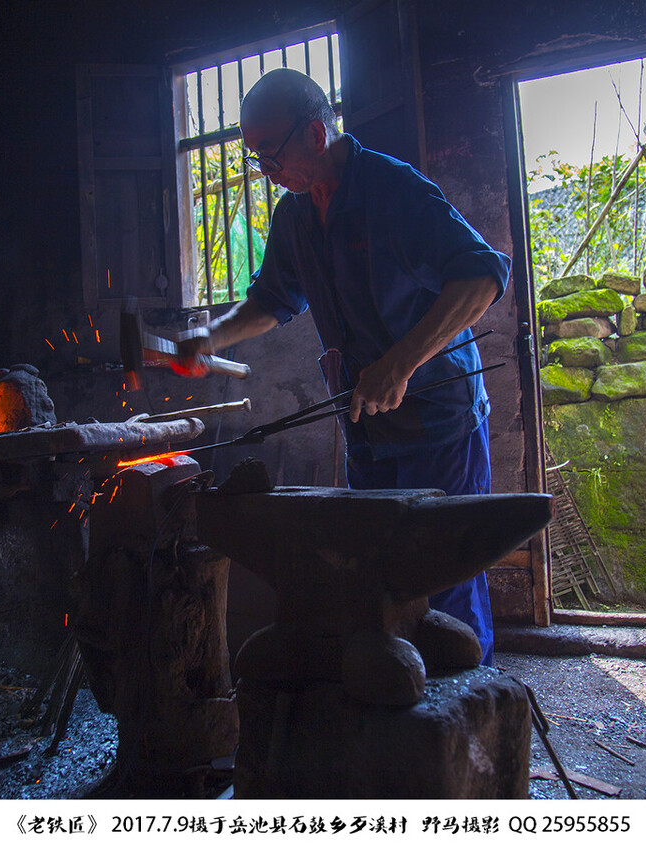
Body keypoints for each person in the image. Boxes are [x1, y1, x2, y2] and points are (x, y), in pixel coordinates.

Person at [176, 68, 511, 665]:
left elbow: (484, 275)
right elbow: (272, 300)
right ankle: (397, 732)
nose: (265, 173)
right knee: (375, 580)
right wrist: (211, 335)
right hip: (367, 430)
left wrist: (401, 363)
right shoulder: (297, 216)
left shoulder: (393, 191)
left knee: (446, 586)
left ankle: (470, 732)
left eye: (270, 155)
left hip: (439, 421)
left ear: (314, 133)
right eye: (254, 159)